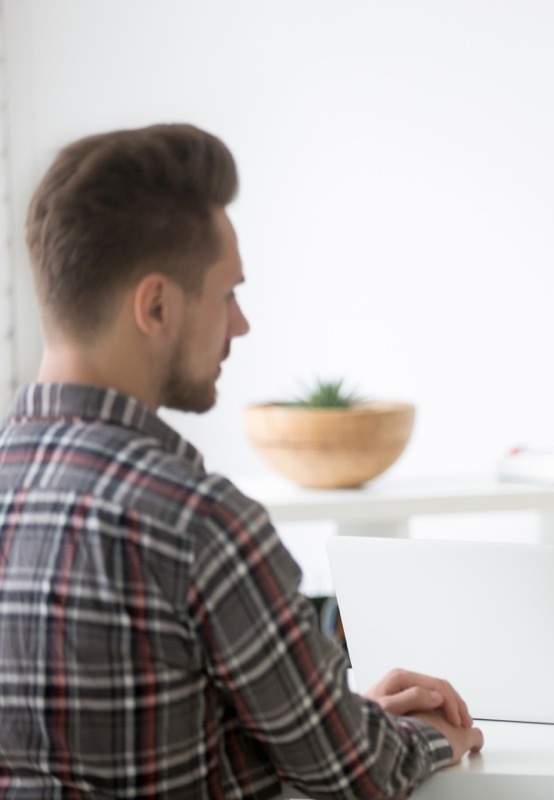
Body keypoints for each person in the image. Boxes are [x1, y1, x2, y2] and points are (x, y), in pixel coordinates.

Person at [0, 123, 483, 798]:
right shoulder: (195, 522)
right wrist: (439, 734)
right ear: (158, 304)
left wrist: (344, 716)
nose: (241, 323)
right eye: (228, 293)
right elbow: (358, 773)